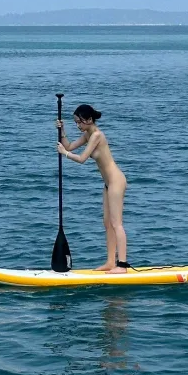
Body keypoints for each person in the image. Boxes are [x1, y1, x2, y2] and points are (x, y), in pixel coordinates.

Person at [56, 104, 130, 273]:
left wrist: (64, 154)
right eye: (75, 123)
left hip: (116, 181)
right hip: (108, 183)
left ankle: (123, 265)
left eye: (80, 122)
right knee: (107, 223)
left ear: (89, 120)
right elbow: (68, 146)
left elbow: (81, 158)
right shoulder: (87, 135)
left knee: (116, 223)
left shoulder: (96, 135)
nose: (78, 126)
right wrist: (62, 131)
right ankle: (111, 262)